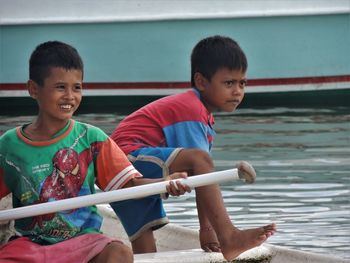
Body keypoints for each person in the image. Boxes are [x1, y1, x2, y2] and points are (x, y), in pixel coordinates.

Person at [0, 41, 191, 263]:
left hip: (83, 243)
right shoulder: (9, 146)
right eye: (60, 87)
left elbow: (127, 187)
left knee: (119, 253)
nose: (70, 96)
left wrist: (165, 183)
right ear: (34, 89)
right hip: (29, 246)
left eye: (77, 87)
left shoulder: (92, 139)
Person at [110, 35, 277, 261]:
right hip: (126, 160)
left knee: (146, 250)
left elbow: (202, 178)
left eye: (242, 83)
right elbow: (200, 166)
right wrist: (211, 231)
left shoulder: (202, 117)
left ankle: (223, 236)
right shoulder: (191, 108)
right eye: (229, 83)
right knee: (201, 160)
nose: (237, 91)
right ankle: (229, 236)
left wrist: (206, 230)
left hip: (116, 173)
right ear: (201, 82)